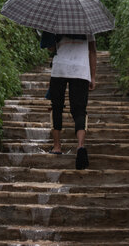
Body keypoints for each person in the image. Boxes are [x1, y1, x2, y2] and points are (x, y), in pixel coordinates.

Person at [43, 31, 97, 170]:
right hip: (81, 70)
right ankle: (80, 146)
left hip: (60, 69)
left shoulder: (57, 23)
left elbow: (51, 48)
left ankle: (57, 146)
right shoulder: (87, 26)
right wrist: (93, 76)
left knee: (57, 107)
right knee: (79, 110)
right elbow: (92, 51)